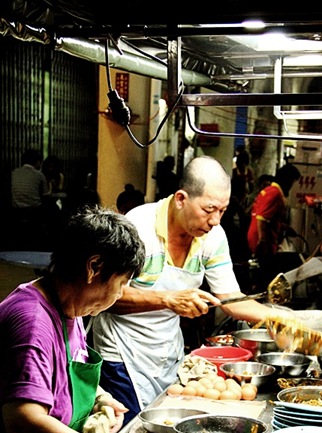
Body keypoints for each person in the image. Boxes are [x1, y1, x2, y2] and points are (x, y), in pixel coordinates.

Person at [0, 205, 169, 433]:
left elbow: (62, 374)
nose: (121, 292)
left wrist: (101, 398)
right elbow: (23, 421)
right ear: (94, 267)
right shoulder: (32, 320)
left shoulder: (72, 310)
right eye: (122, 281)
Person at [91, 156, 279, 413]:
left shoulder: (213, 237)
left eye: (222, 211)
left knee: (164, 420)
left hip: (168, 351)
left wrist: (282, 318)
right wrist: (168, 300)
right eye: (209, 210)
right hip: (121, 353)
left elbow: (230, 298)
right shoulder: (138, 227)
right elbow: (104, 295)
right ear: (181, 199)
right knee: (128, 427)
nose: (215, 220)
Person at [247, 163, 301, 289]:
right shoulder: (274, 193)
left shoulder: (270, 191)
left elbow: (269, 218)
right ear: (288, 180)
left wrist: (284, 227)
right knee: (265, 278)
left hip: (263, 239)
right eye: (292, 182)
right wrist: (262, 241)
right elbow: (262, 219)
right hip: (264, 241)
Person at [10, 148, 51, 250]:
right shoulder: (39, 175)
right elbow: (46, 196)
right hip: (34, 212)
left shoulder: (14, 172)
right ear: (37, 162)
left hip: (16, 211)